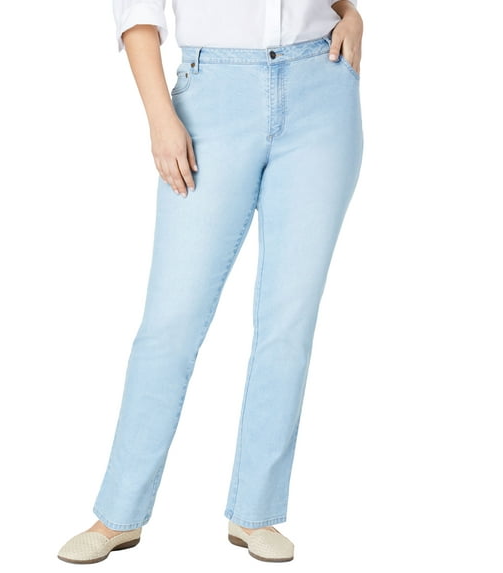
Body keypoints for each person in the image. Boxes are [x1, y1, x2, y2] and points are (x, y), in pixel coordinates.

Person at [58, 0, 363, 564]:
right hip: (213, 96)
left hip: (322, 91)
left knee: (288, 324)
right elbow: (138, 12)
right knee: (170, 323)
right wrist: (160, 118)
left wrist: (351, 13)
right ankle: (118, 515)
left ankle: (256, 512)